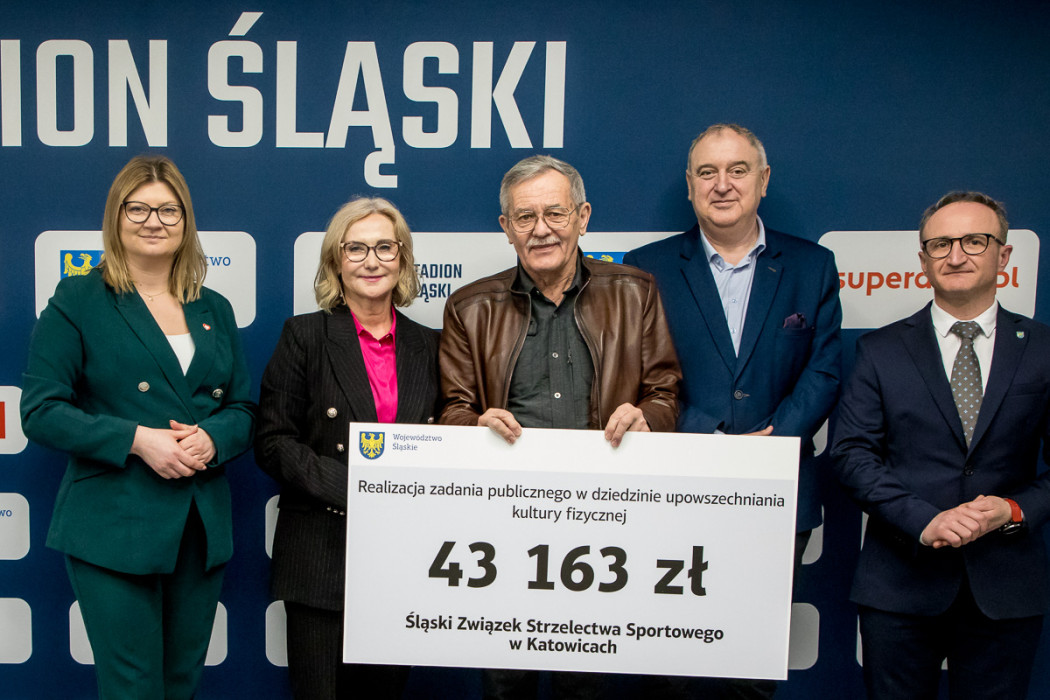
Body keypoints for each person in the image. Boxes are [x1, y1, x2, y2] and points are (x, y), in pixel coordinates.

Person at [439, 154, 681, 699]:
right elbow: (451, 409)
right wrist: (475, 423)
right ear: (506, 228)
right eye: (525, 217)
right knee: (506, 684)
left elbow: (664, 393)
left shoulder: (636, 291)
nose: (541, 229)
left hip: (604, 523)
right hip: (503, 528)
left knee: (586, 684)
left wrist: (647, 417)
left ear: (583, 217)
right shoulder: (469, 306)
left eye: (555, 213)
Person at [20, 155, 255, 699]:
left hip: (198, 524)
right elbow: (40, 410)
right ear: (116, 216)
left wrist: (213, 438)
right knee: (133, 688)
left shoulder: (214, 308)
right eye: (139, 208)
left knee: (181, 684)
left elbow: (243, 409)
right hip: (114, 523)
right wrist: (136, 440)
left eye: (169, 210)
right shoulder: (79, 299)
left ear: (185, 221)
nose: (154, 221)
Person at [624, 124, 841, 696]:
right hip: (675, 489)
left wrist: (773, 443)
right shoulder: (645, 267)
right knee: (668, 668)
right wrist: (710, 439)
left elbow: (824, 370)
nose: (722, 184)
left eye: (737, 170)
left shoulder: (813, 265)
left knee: (751, 667)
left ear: (763, 180)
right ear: (690, 185)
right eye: (707, 172)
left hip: (778, 494)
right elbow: (637, 374)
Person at [830, 192, 1050, 699]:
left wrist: (1014, 510)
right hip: (899, 584)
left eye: (974, 241)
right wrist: (924, 520)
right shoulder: (880, 350)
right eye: (941, 244)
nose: (956, 255)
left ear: (1004, 255)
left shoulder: (1043, 349)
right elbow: (851, 454)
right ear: (923, 259)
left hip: (1006, 584)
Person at [256, 197, 441, 699]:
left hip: (403, 558)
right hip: (320, 554)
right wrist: (356, 487)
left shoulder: (432, 345)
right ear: (336, 261)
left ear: (402, 258)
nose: (371, 261)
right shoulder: (305, 336)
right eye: (355, 248)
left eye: (385, 247)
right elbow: (272, 441)